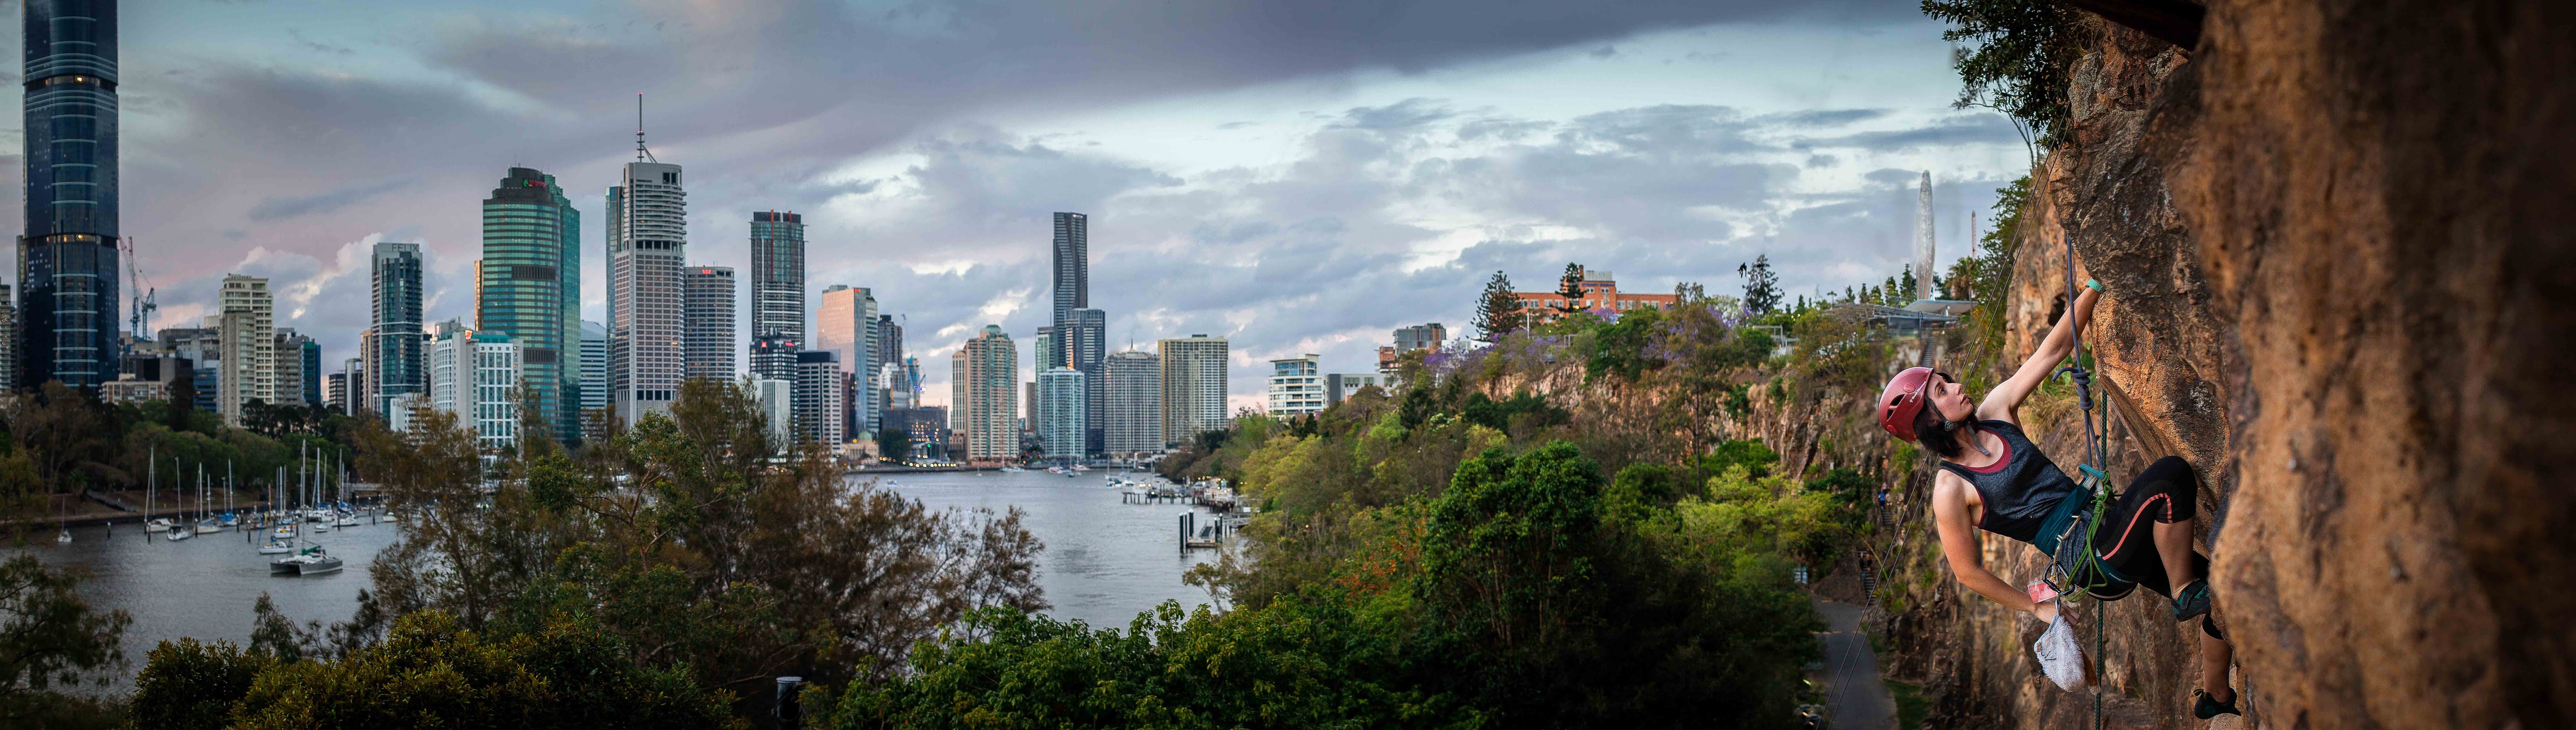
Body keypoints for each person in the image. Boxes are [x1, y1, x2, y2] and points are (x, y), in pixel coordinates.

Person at [1876, 281, 2239, 720]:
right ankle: (2184, 591)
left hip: (2109, 526)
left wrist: (2094, 286)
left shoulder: (1995, 411)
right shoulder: (1950, 489)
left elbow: (2054, 349)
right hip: (2089, 556)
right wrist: (2037, 608)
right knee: (2170, 477)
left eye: (1947, 381)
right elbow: (1967, 572)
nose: (1955, 388)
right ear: (1928, 422)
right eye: (1940, 392)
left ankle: (2215, 696)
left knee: (2221, 594)